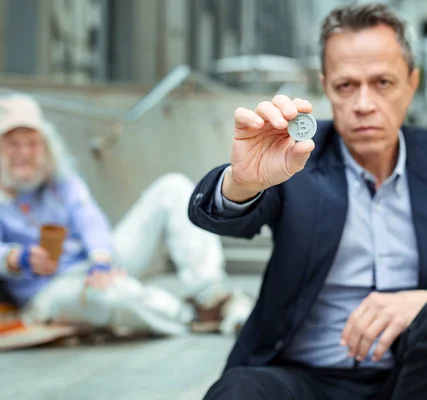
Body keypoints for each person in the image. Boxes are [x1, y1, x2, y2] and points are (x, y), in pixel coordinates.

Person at [189, 3, 427, 400]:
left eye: (382, 82)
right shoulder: (294, 157)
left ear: (411, 83)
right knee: (240, 392)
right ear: (326, 86)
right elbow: (227, 218)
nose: (364, 104)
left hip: (413, 382)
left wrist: (426, 302)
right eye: (346, 85)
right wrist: (243, 182)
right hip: (300, 379)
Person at [0, 92, 252, 337]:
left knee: (172, 188)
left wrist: (101, 260)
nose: (24, 152)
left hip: (94, 263)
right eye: (13, 144)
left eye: (31, 143)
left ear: (44, 146)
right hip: (49, 288)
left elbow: (90, 220)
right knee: (108, 294)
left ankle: (211, 295)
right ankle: (188, 315)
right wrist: (17, 258)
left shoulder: (61, 181)